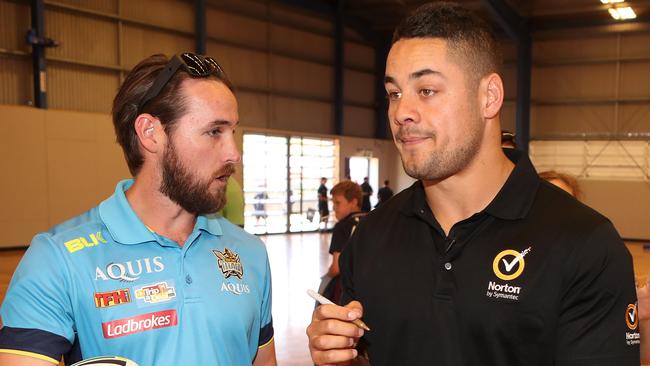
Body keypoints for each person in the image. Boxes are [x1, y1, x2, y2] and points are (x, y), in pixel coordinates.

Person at [306, 3, 638, 365]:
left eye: (427, 90)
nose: (401, 113)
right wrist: (339, 356)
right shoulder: (371, 237)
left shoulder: (585, 245)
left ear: (489, 96)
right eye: (394, 93)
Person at [0, 53, 276, 365]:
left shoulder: (250, 252)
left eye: (232, 132)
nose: (233, 153)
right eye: (215, 131)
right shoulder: (57, 260)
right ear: (150, 133)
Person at [321, 181, 365, 305]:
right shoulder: (372, 221)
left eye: (338, 203)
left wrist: (326, 278)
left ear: (354, 202)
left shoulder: (343, 227)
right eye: (333, 203)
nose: (334, 207)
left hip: (348, 291)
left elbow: (337, 267)